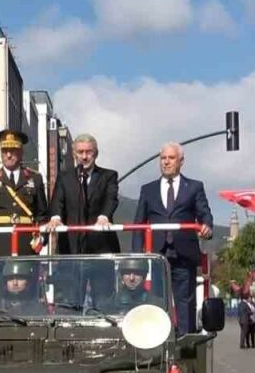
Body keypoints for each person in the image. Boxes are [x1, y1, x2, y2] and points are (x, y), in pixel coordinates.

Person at [131, 142, 213, 335]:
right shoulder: (148, 190)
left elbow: (205, 215)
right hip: (156, 255)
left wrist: (207, 226)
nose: (166, 162)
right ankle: (159, 346)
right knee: (157, 304)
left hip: (184, 256)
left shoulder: (194, 187)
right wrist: (136, 260)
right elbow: (138, 224)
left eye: (171, 158)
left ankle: (185, 349)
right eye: (163, 158)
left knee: (185, 305)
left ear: (181, 161)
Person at [46, 134, 121, 255]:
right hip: (70, 247)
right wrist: (55, 218)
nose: (84, 157)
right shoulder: (64, 177)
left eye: (88, 152)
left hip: (100, 246)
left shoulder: (108, 176)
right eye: (80, 152)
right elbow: (57, 201)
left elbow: (110, 199)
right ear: (74, 154)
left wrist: (104, 217)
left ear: (96, 154)